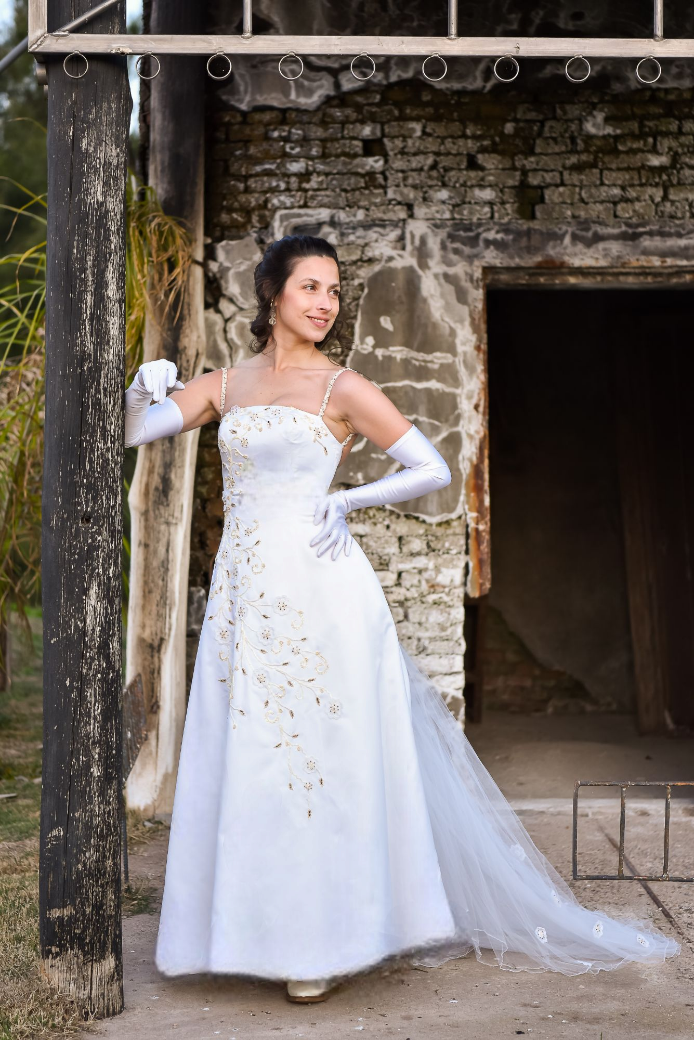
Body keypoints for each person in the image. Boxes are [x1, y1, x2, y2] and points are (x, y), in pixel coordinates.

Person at [124, 234, 679, 1004]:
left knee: (316, 759)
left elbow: (433, 466)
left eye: (335, 291)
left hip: (323, 591)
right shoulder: (225, 383)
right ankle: (234, 930)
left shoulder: (342, 388)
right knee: (246, 756)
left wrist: (346, 499)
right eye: (311, 286)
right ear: (272, 292)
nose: (325, 303)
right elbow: (136, 432)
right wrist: (143, 388)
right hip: (244, 598)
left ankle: (321, 942)